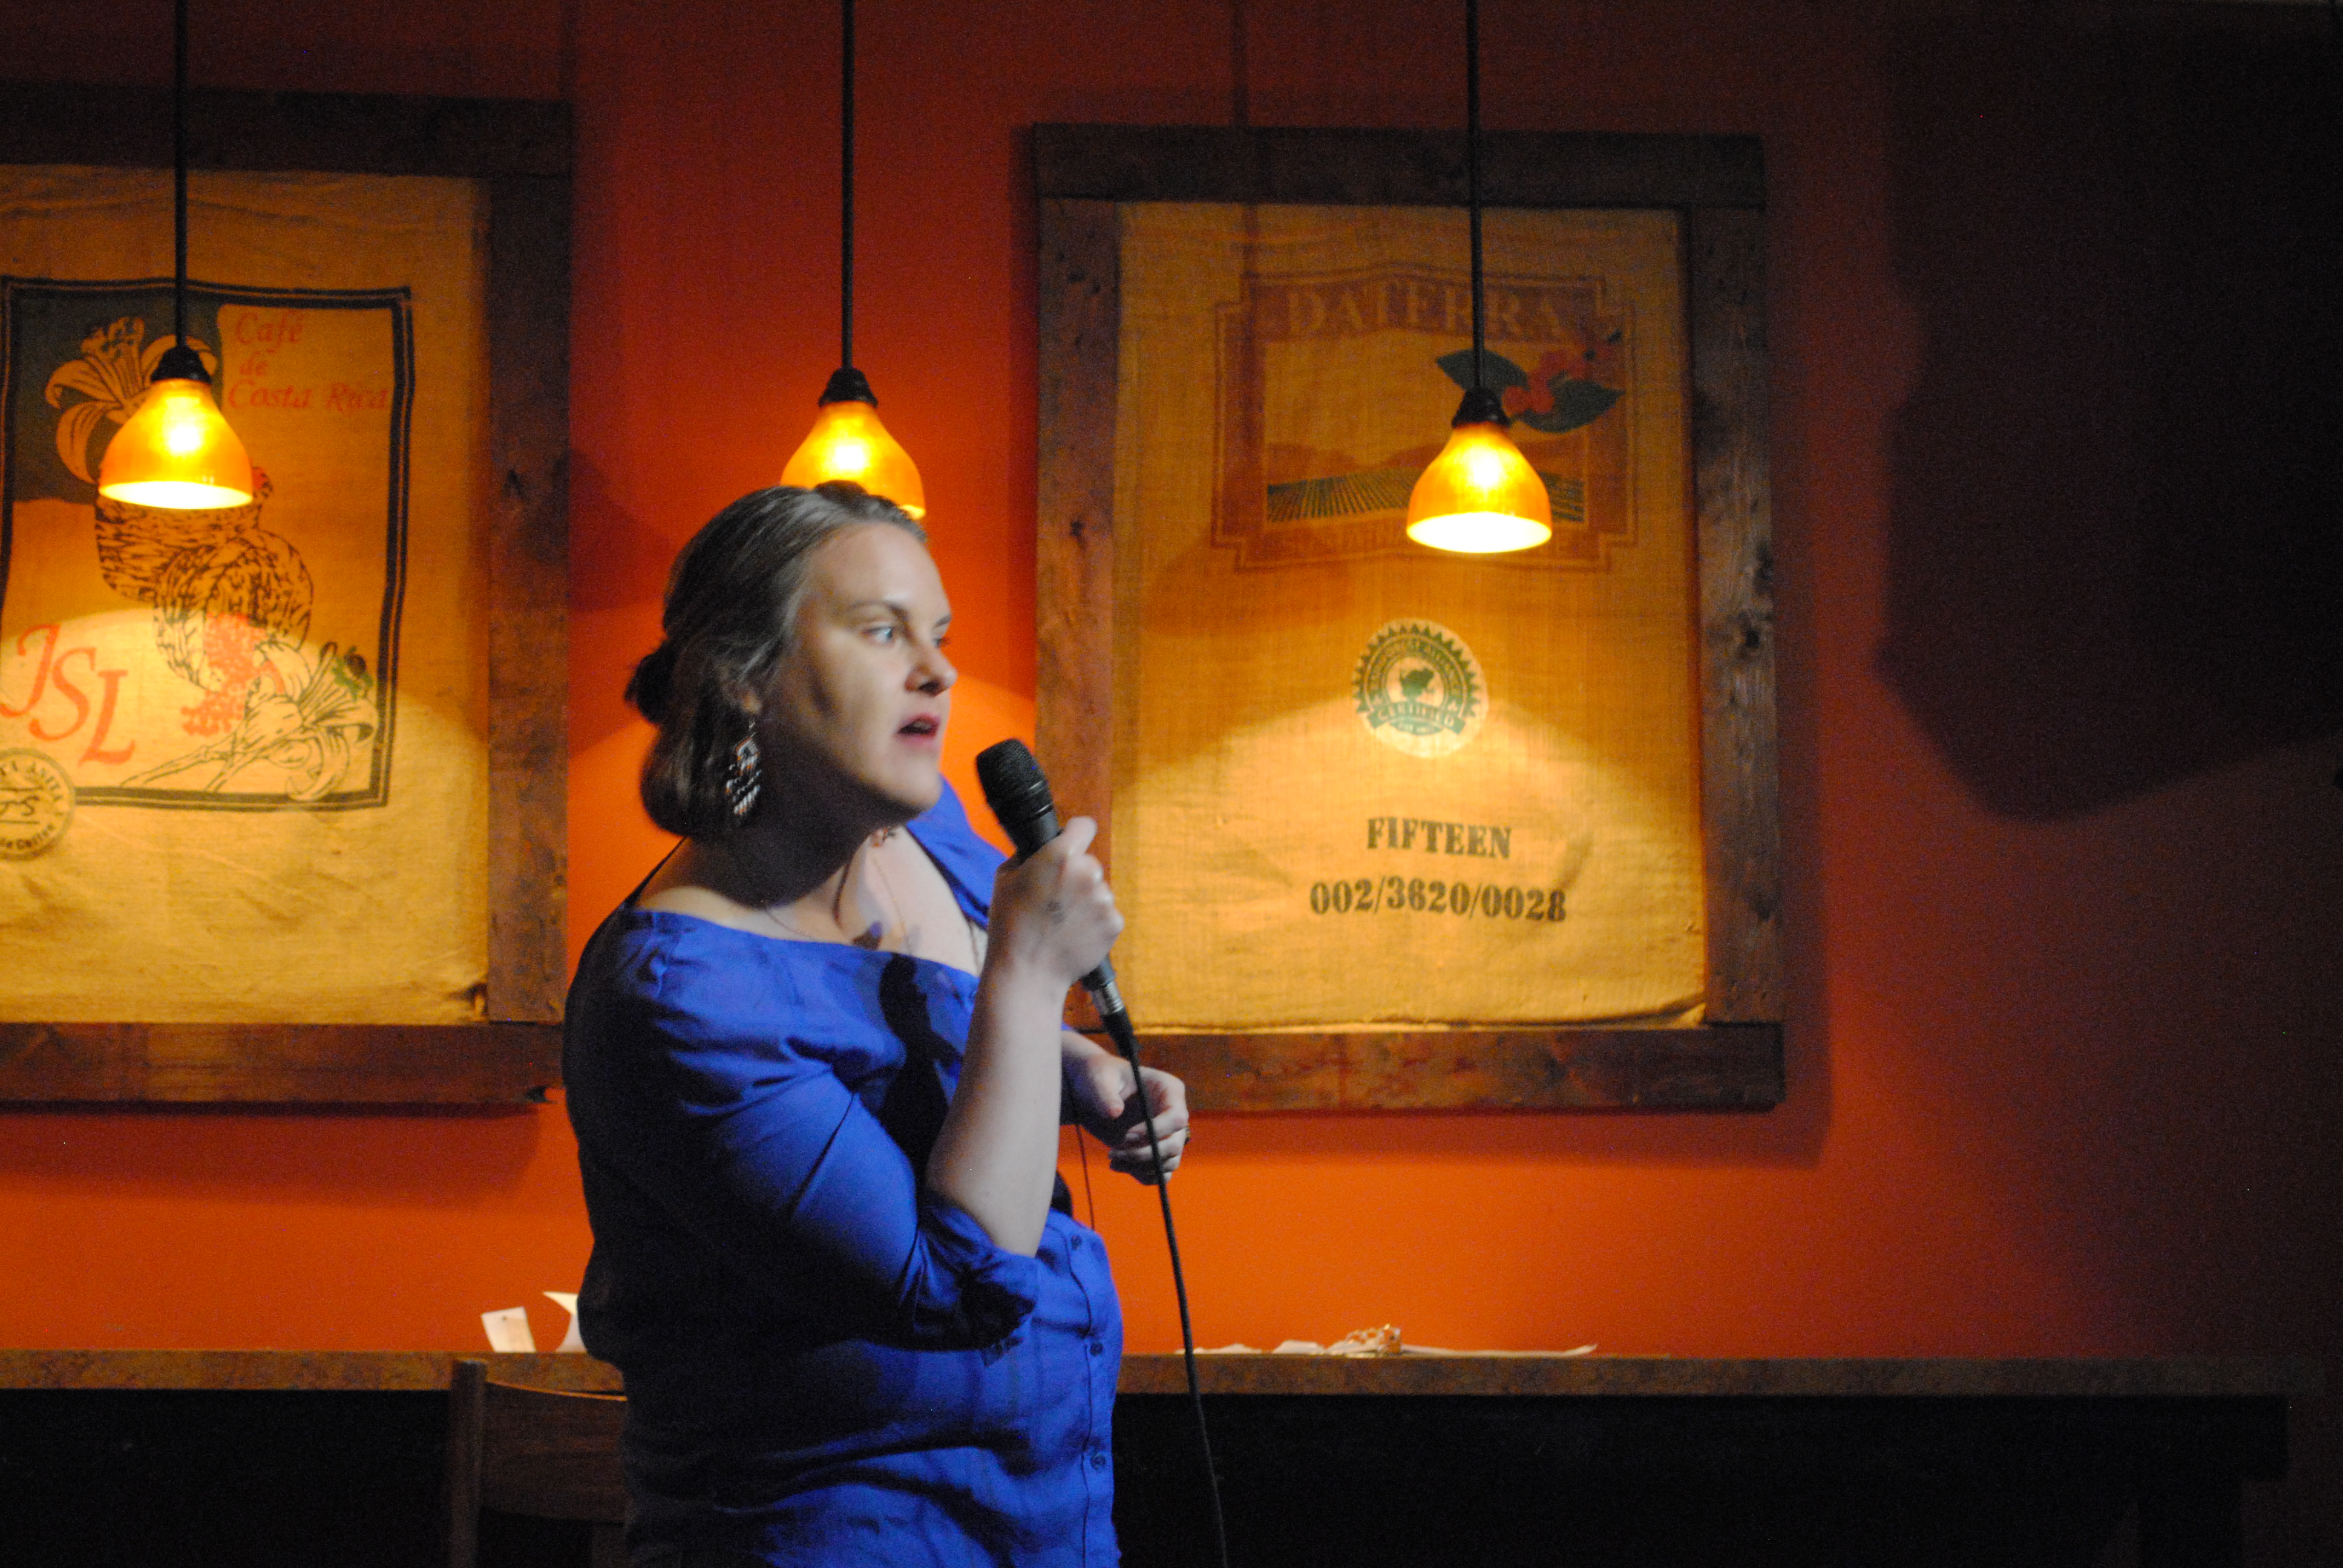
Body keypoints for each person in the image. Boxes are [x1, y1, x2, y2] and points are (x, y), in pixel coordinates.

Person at [563, 482, 1189, 1567]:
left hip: (1046, 1520)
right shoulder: (679, 996)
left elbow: (954, 1030)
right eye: (882, 631)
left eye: (939, 634)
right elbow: (953, 1287)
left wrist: (1074, 1066)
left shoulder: (924, 828)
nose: (939, 671)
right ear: (745, 674)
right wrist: (1030, 978)